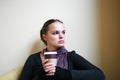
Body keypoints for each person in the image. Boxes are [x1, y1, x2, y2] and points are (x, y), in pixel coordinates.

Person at [19, 19, 105, 80]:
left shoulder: (71, 57)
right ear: (44, 37)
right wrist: (41, 73)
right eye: (55, 33)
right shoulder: (33, 59)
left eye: (63, 32)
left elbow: (99, 75)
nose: (61, 36)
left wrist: (63, 74)